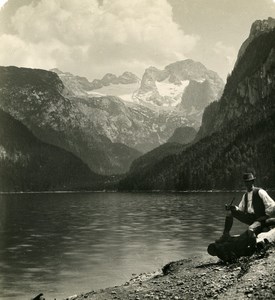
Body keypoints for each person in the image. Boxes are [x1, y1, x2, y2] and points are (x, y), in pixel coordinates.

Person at [217, 172, 275, 242]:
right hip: (250, 218)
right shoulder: (245, 195)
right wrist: (232, 208)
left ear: (253, 182)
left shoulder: (260, 192)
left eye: (249, 182)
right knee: (230, 212)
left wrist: (265, 216)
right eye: (246, 182)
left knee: (250, 229)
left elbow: (272, 205)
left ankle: (254, 243)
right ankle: (225, 235)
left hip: (260, 219)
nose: (247, 184)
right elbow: (240, 209)